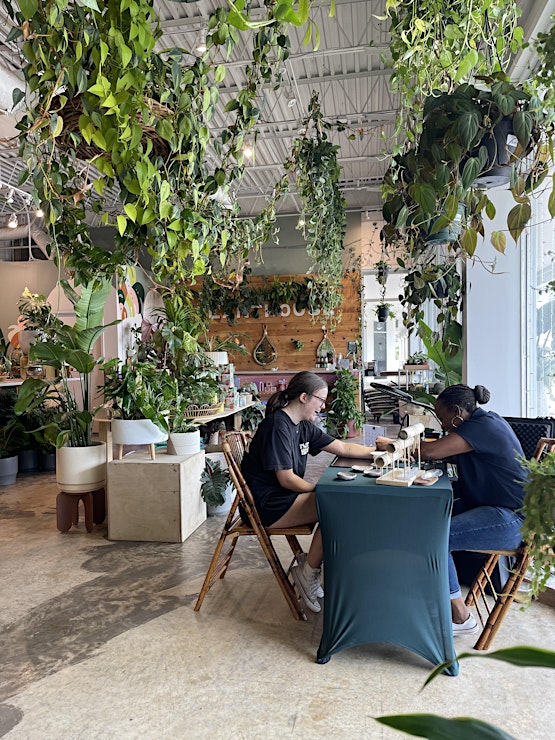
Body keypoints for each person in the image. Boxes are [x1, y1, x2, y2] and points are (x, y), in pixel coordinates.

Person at [377, 383, 527, 636]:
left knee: (435, 536)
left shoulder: (483, 426)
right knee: (425, 517)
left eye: (443, 417)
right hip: (489, 506)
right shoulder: (484, 421)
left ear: (457, 411)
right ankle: (427, 589)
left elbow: (432, 451)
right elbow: (451, 453)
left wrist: (392, 445)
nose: (443, 424)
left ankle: (461, 616)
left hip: (511, 518)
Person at [241, 370, 375, 613]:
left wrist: (381, 452)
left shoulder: (302, 426)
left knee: (336, 502)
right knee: (336, 504)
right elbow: (286, 479)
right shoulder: (277, 425)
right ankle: (308, 572)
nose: (323, 407)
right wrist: (320, 491)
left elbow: (343, 447)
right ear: (304, 397)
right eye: (321, 400)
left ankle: (311, 567)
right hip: (266, 505)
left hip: (284, 497)